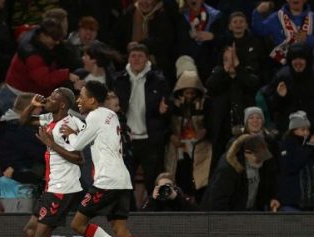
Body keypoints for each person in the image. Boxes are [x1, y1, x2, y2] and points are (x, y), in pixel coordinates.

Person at [58, 81, 161, 237]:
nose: (78, 100)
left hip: (107, 180)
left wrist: (70, 133)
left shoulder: (94, 116)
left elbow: (77, 146)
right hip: (122, 180)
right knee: (120, 229)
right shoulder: (110, 115)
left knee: (77, 224)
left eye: (82, 96)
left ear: (93, 100)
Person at [19, 88, 106, 237]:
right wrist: (32, 104)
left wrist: (51, 144)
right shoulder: (49, 119)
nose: (48, 99)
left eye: (53, 98)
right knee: (30, 231)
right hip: (52, 185)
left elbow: (79, 159)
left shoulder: (69, 125)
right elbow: (22, 122)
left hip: (63, 187)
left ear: (63, 104)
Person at [114, 42, 170, 199]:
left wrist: (165, 110)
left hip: (150, 139)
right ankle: (126, 213)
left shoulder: (158, 80)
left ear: (147, 59)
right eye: (133, 56)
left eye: (140, 56)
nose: (136, 59)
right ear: (128, 59)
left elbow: (168, 106)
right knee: (125, 180)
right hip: (126, 139)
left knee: (153, 180)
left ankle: (153, 213)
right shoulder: (119, 80)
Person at [0, 18, 79, 115]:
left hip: (28, 96)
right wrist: (66, 75)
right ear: (43, 35)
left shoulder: (40, 39)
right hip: (16, 98)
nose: (57, 42)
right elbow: (44, 80)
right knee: (18, 129)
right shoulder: (32, 55)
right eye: (54, 39)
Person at [201, 133, 281, 211]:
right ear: (247, 153)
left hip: (247, 211)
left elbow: (268, 181)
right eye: (258, 158)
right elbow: (218, 202)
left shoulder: (258, 164)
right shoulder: (228, 169)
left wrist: (273, 197)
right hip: (228, 216)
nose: (261, 161)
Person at [166, 67, 211, 202]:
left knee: (199, 177)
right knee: (179, 175)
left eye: (192, 93)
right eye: (187, 93)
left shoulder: (205, 104)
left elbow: (211, 123)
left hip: (199, 147)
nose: (189, 96)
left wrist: (205, 130)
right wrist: (171, 135)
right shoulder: (173, 105)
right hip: (178, 147)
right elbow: (165, 125)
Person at [252, 0, 314, 65]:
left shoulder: (312, 16)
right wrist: (257, 12)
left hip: (309, 63)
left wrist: (308, 39)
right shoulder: (277, 17)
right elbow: (259, 31)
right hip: (282, 64)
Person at [277, 111, 314, 211]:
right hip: (292, 201)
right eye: (303, 129)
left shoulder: (308, 147)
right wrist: (309, 147)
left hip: (309, 201)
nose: (306, 133)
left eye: (308, 130)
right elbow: (291, 167)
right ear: (294, 130)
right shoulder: (286, 145)